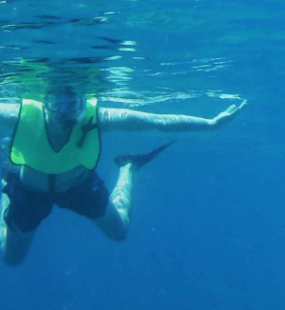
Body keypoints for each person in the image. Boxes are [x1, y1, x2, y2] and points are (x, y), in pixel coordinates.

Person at [0, 85, 246, 265]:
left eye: (72, 104)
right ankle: (5, 187)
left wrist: (211, 123)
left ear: (82, 103)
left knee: (120, 232)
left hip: (79, 187)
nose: (64, 113)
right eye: (57, 105)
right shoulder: (21, 116)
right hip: (28, 192)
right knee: (12, 259)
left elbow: (157, 121)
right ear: (45, 103)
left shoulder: (98, 119)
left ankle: (127, 166)